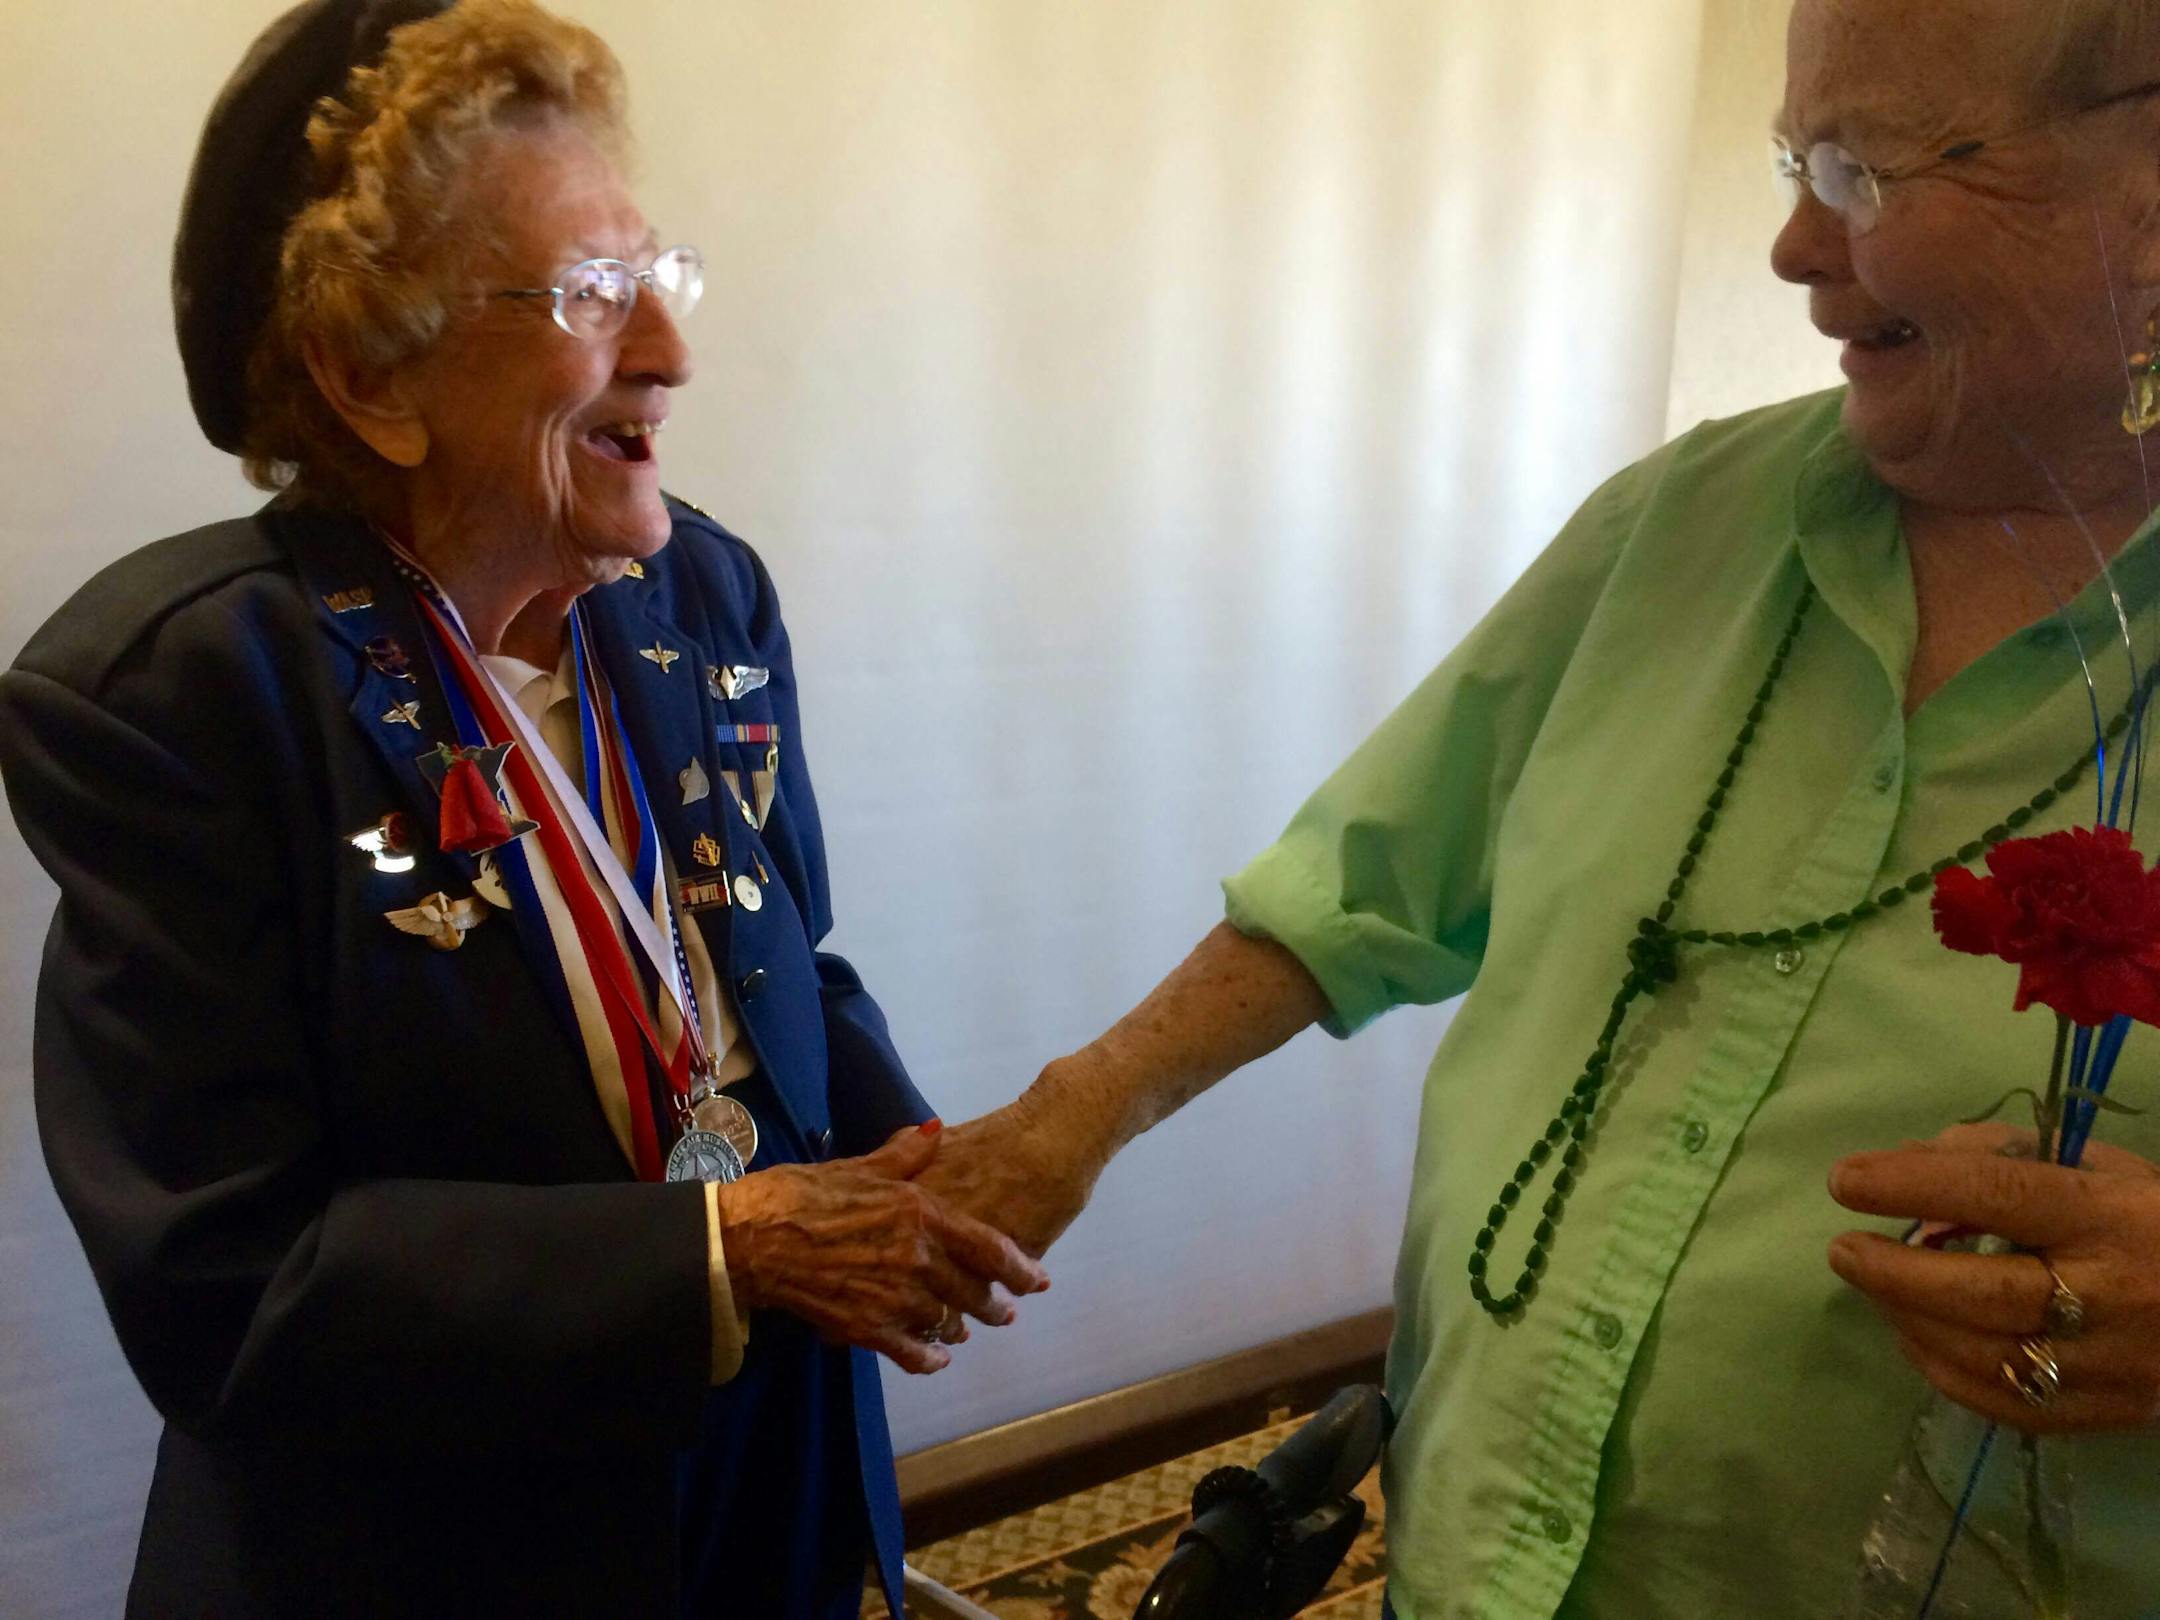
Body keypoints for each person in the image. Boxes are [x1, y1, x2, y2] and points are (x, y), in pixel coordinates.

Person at [921, 0, 2160, 1614]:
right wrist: (1071, 1118)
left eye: (1865, 171)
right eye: (1797, 163)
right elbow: (1365, 878)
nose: (1794, 248)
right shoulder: (1688, 518)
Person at [0, 2, 1046, 1616]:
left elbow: (780, 969)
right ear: (370, 372)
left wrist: (912, 1163)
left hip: (768, 1472)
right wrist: (727, 1249)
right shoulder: (184, 696)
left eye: (660, 273)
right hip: (445, 1548)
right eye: (589, 293)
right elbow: (229, 1286)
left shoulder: (703, 593)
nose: (670, 352)